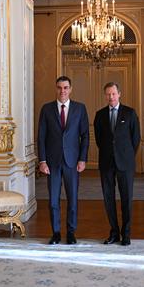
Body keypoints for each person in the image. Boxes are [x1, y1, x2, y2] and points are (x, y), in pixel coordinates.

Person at [37, 76, 89, 245]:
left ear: (70, 89)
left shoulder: (80, 109)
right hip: (52, 162)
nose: (62, 91)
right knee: (53, 200)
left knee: (72, 199)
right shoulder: (46, 109)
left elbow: (85, 136)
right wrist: (42, 161)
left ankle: (71, 233)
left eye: (66, 87)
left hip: (72, 162)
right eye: (59, 87)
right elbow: (41, 137)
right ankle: (56, 233)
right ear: (56, 88)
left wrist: (82, 159)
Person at [94, 82, 140, 246]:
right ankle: (114, 232)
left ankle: (126, 234)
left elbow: (136, 139)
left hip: (125, 163)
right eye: (108, 94)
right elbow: (99, 140)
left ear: (119, 94)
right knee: (108, 199)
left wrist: (126, 155)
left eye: (113, 94)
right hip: (106, 162)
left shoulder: (130, 113)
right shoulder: (99, 115)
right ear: (105, 95)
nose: (111, 97)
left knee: (126, 198)